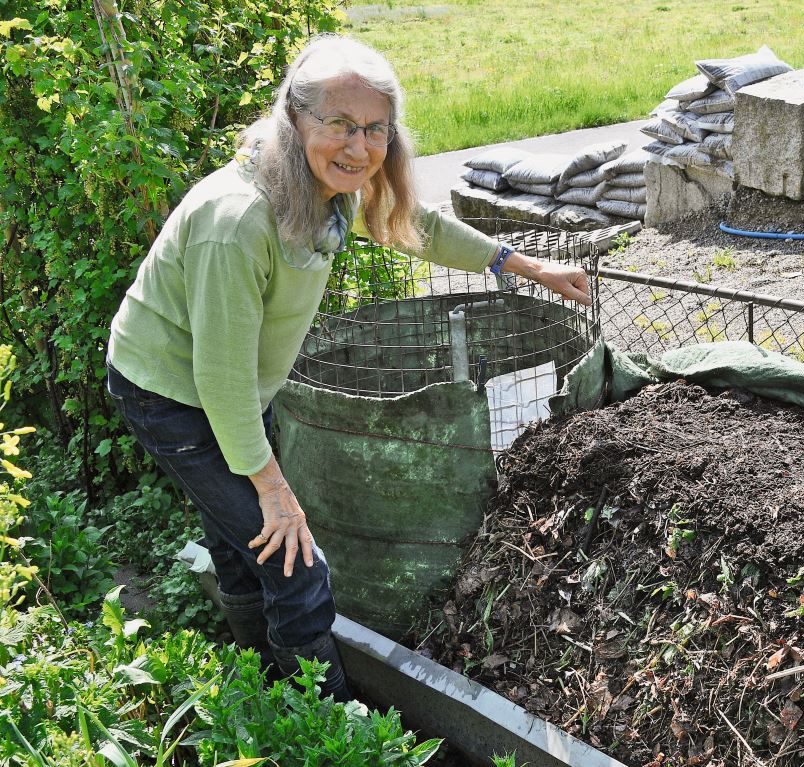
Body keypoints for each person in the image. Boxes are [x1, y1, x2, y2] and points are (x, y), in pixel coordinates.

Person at [106, 35, 590, 701]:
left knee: (244, 543)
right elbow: (218, 382)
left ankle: (260, 682)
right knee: (294, 559)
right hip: (169, 392)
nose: (357, 146)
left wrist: (527, 266)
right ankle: (328, 723)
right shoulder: (240, 220)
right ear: (294, 120)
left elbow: (413, 220)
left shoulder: (327, 185)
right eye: (337, 123)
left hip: (238, 386)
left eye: (374, 129)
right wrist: (276, 491)